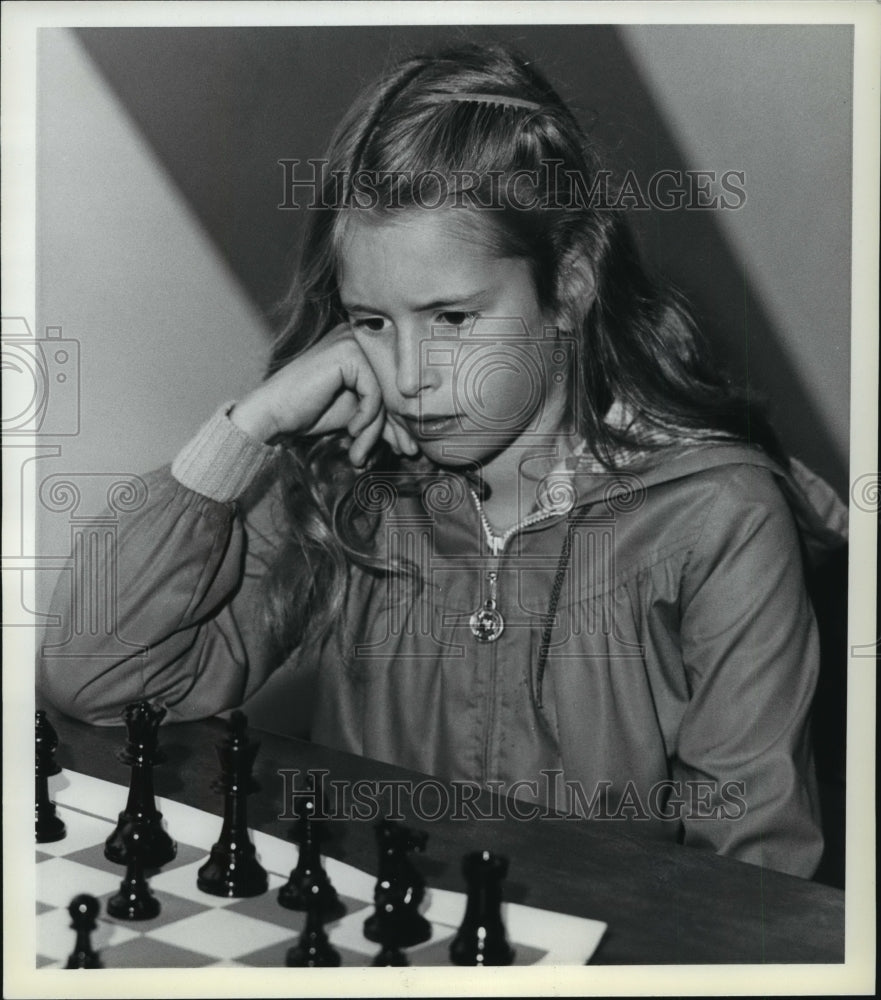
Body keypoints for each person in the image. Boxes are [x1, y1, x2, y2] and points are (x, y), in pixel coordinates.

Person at [38, 44, 847, 878]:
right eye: (373, 323)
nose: (411, 376)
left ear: (567, 286)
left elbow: (756, 872)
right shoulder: (346, 482)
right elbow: (95, 682)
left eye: (453, 318)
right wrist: (249, 428)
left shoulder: (718, 513)